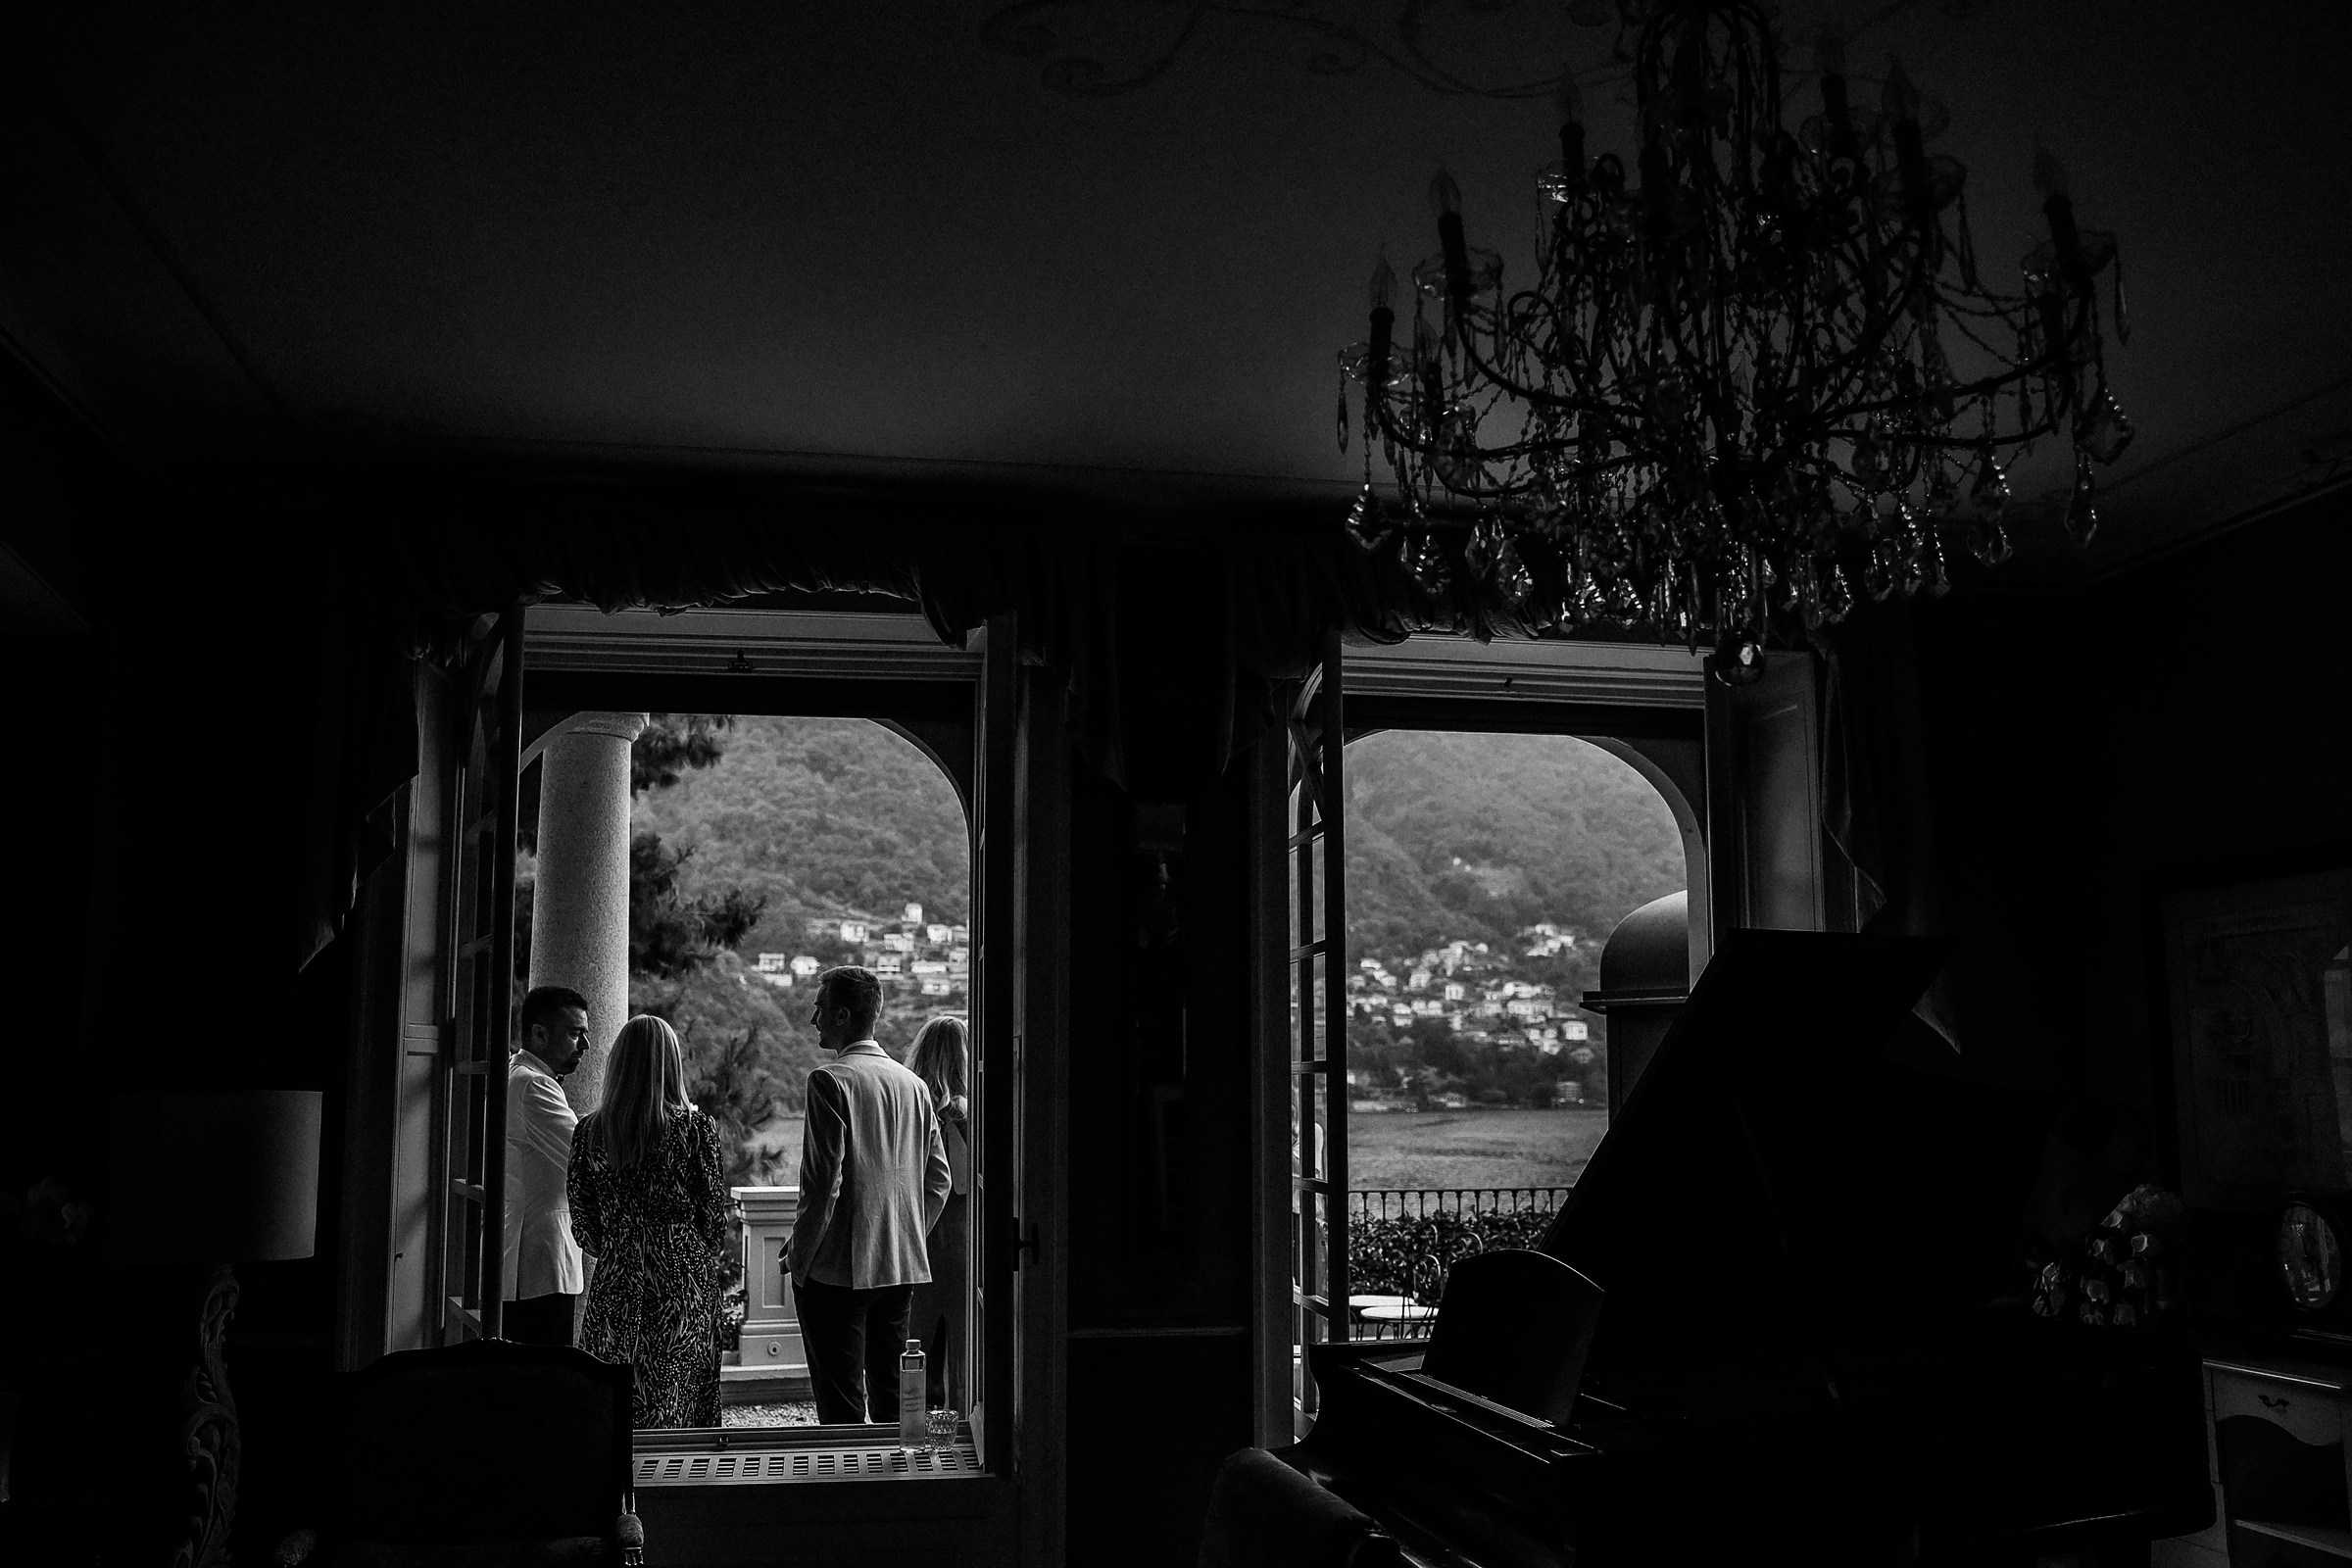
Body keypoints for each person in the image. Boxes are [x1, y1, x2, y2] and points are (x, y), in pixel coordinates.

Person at [787, 966, 952, 1425]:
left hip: (839, 1269)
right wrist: (907, 1234)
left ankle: (846, 1492)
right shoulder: (914, 1085)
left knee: (840, 1402)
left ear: (842, 1015)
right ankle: (894, 1484)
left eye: (819, 1009)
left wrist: (801, 1260)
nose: (813, 1019)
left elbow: (822, 1187)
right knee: (894, 1397)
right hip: (900, 1264)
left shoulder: (830, 1081)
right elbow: (938, 1181)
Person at [568, 1014, 731, 1428]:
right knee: (679, 1395)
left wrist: (622, 1244)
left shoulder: (589, 1132)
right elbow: (713, 1220)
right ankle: (678, 1485)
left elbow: (583, 1221)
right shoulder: (695, 1130)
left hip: (617, 1278)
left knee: (613, 1396)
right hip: (681, 1279)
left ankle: (616, 1485)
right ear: (671, 1064)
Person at [504, 985, 591, 1348]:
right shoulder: (534, 1085)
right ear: (539, 1033)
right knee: (544, 1376)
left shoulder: (519, 1074)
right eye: (574, 1033)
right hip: (541, 1260)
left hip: (531, 1256)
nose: (584, 1046)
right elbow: (585, 1156)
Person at [902, 1014, 970, 1409]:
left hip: (917, 1241)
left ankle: (912, 1431)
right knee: (964, 1354)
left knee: (916, 1350)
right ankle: (962, 1432)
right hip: (964, 1244)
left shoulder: (910, 1107)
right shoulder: (971, 1113)